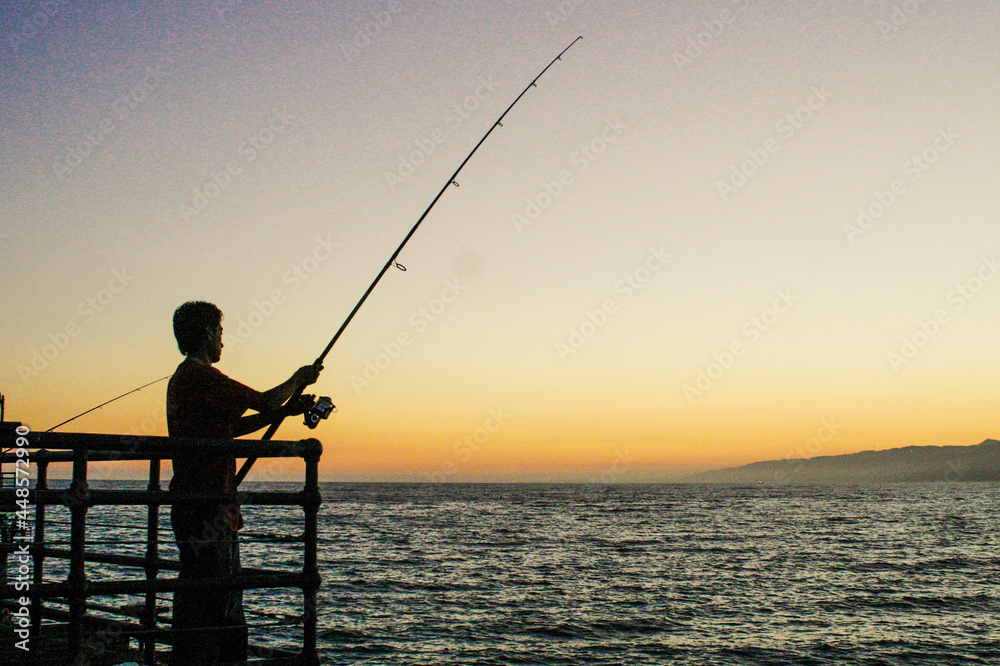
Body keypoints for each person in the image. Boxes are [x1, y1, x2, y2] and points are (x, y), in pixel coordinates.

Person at [166, 300, 320, 665]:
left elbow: (232, 428)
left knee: (202, 599)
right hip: (208, 508)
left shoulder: (186, 379)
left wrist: (285, 411)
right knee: (220, 603)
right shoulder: (199, 376)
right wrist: (298, 379)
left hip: (202, 505)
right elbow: (263, 402)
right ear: (206, 333)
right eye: (220, 331)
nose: (223, 340)